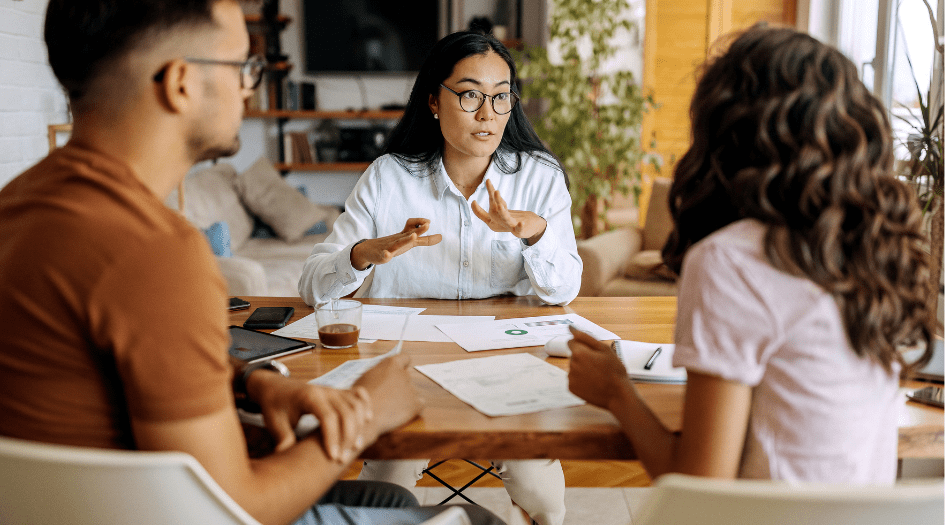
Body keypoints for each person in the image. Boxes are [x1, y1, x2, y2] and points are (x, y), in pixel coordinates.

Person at [0, 2, 506, 525]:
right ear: (181, 84)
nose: (249, 89)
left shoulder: (18, 205)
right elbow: (236, 510)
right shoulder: (154, 252)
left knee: (391, 501)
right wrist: (368, 414)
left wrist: (250, 381)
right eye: (243, 66)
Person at [567, 24, 935, 483]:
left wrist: (616, 393)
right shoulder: (871, 246)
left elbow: (700, 490)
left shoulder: (731, 260)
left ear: (728, 132)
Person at [298, 31, 581, 525]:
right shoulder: (388, 176)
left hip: (507, 364)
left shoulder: (539, 176)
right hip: (407, 366)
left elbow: (564, 290)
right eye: (470, 95)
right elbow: (313, 288)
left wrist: (534, 233)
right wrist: (363, 254)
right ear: (433, 101)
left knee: (541, 492)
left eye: (501, 96)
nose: (487, 113)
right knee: (386, 482)